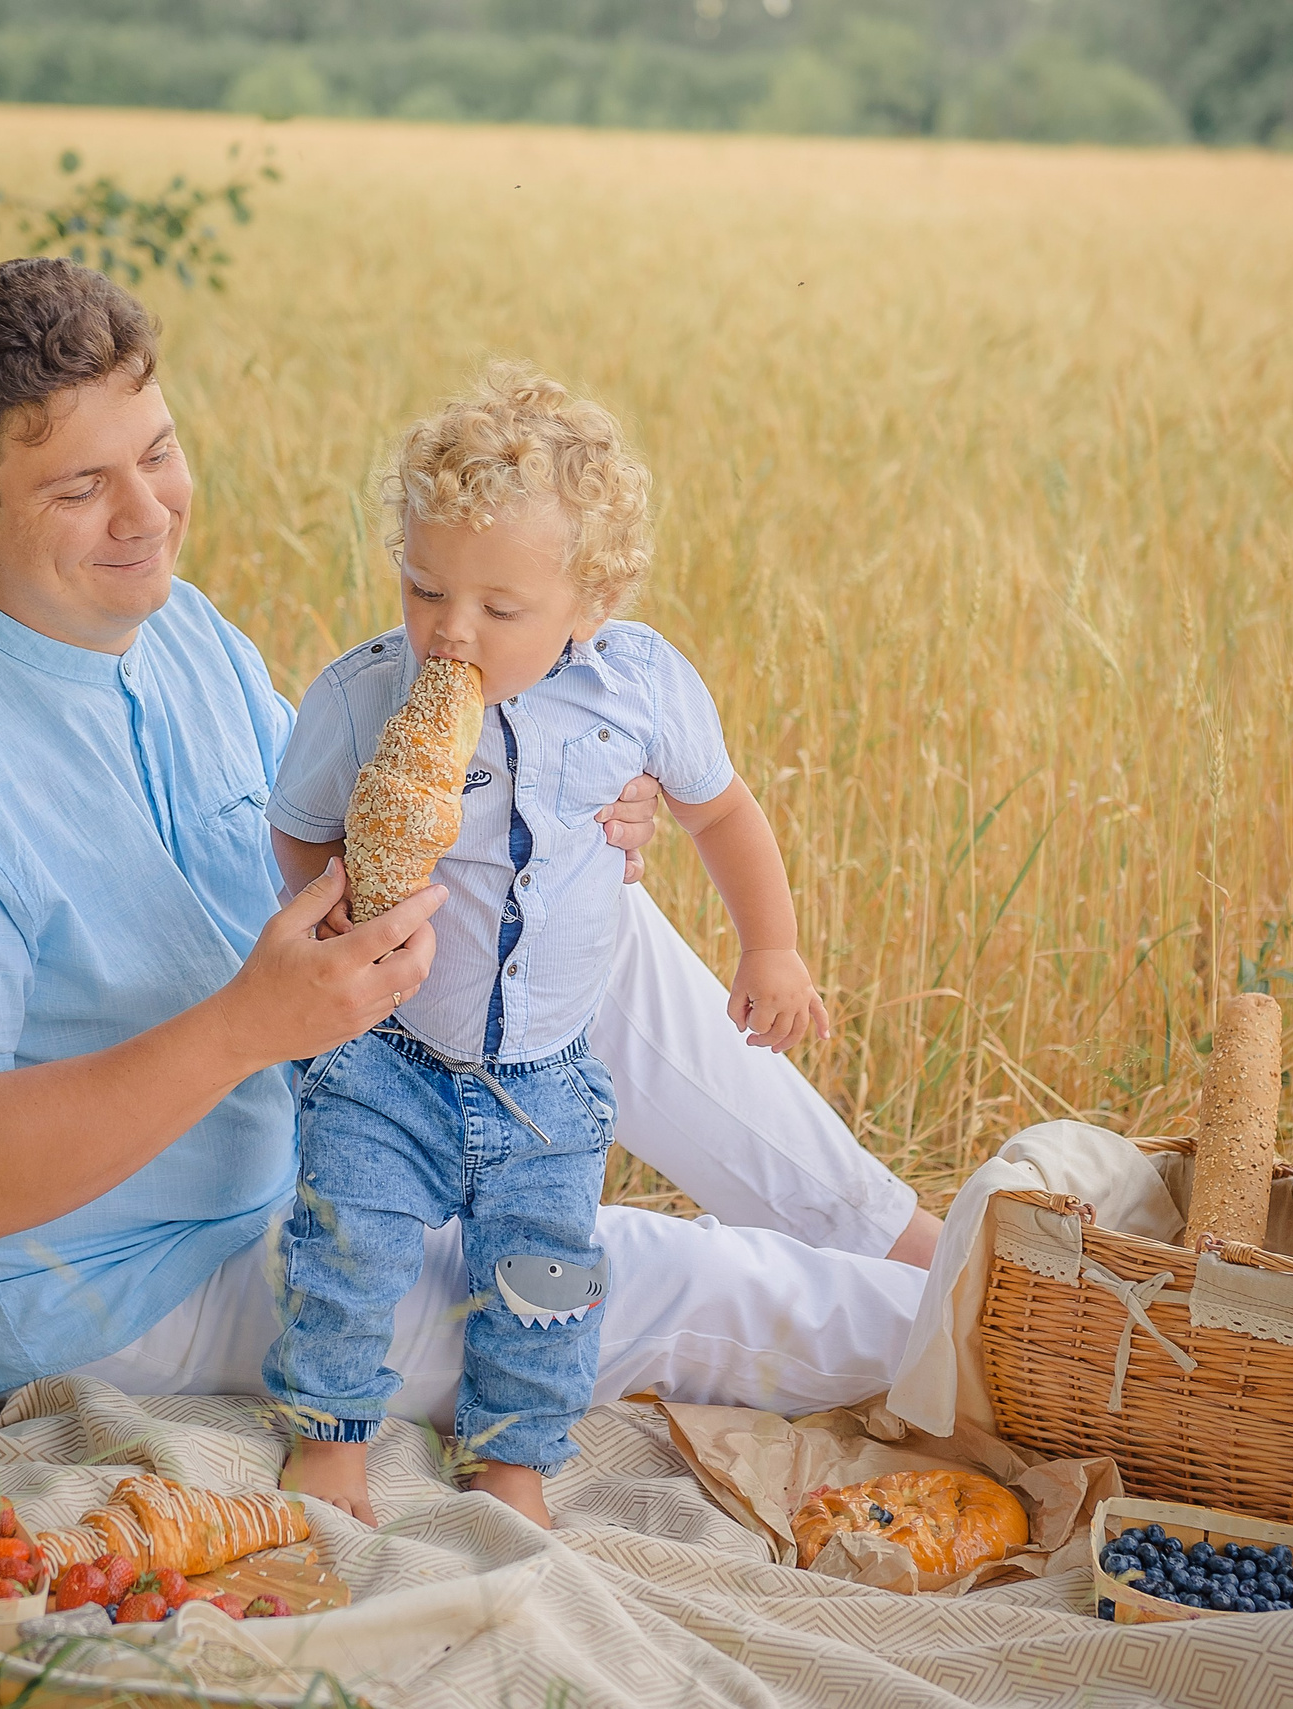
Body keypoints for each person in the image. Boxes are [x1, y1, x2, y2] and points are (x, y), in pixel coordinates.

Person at [0, 260, 937, 1501]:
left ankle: (916, 1246)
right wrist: (246, 1028)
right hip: (125, 1281)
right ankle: (978, 1334)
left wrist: (576, 806)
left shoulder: (176, 627)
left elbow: (363, 842)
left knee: (576, 917)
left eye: (156, 454)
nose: (147, 515)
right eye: (80, 487)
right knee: (642, 1280)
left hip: (331, 1124)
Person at [263, 366, 832, 1527]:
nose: (450, 629)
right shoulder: (365, 696)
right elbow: (300, 826)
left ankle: (511, 1454)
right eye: (424, 587)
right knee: (344, 1247)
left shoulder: (640, 688)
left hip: (546, 1076)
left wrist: (770, 947)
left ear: (592, 598)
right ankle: (328, 1436)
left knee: (548, 1279)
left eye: (500, 608)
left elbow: (721, 811)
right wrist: (338, 908)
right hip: (386, 1058)